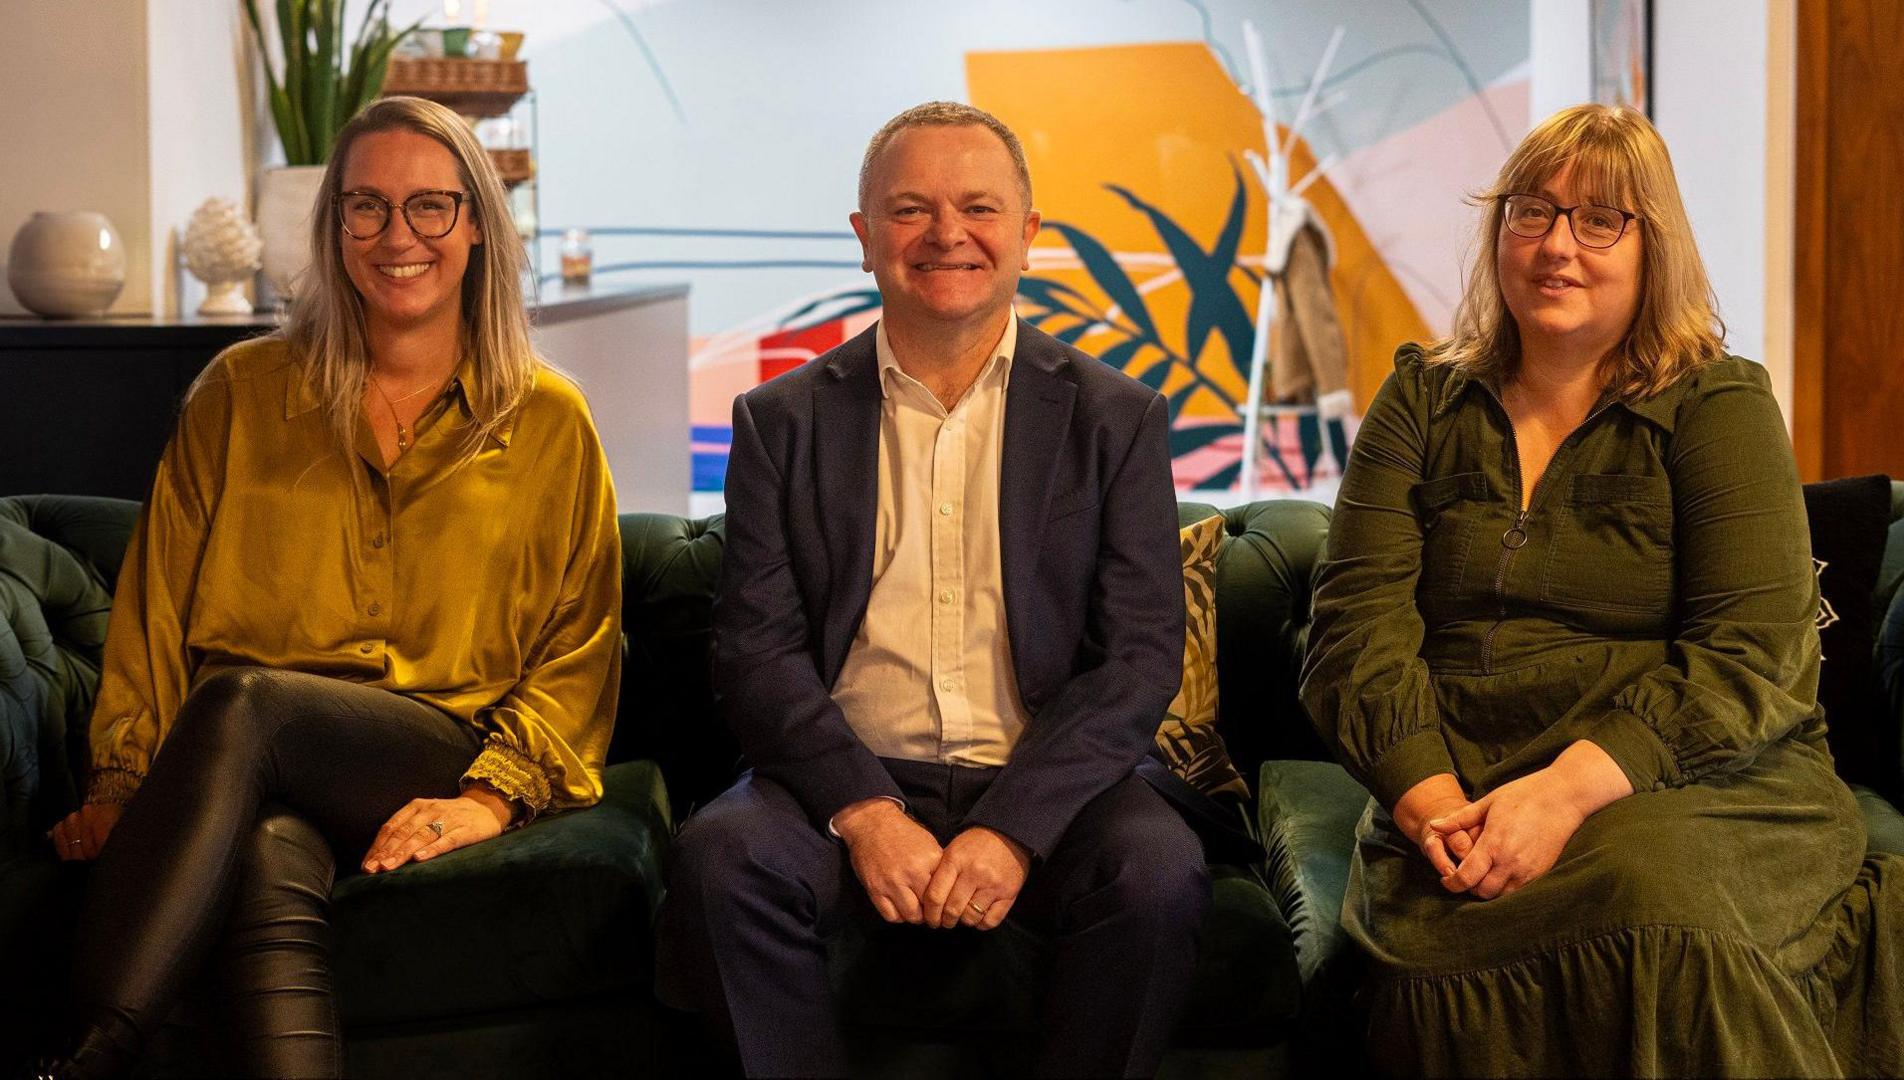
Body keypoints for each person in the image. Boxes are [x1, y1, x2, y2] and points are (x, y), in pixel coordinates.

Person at [1301, 103, 1904, 1076]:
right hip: (1464, 792)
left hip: (1695, 785)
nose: (1557, 246)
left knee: (1657, 913)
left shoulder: (1719, 402)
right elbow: (1351, 637)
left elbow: (1752, 654)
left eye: (1600, 219)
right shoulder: (1421, 399)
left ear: (1653, 246)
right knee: (1425, 978)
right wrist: (1432, 809)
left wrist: (1558, 798)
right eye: (1531, 212)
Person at [42, 96, 622, 1079]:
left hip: (424, 740)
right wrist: (123, 781)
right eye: (367, 208)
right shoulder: (238, 394)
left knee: (247, 700)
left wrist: (492, 796)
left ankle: (88, 1052)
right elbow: (155, 610)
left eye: (431, 206)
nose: (399, 236)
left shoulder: (551, 419)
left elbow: (582, 646)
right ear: (334, 227)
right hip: (240, 762)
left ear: (479, 224)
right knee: (266, 850)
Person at [655, 101, 1207, 1078]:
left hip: (1047, 776)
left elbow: (1136, 662)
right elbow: (756, 652)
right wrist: (866, 814)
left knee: (1158, 872)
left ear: (1028, 236)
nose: (948, 234)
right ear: (866, 239)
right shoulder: (779, 421)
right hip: (847, 767)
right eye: (911, 210)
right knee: (721, 860)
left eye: (979, 208)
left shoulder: (1116, 418)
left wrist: (1010, 827)